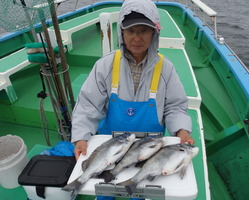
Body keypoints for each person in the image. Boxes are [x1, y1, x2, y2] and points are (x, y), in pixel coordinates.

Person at [71, 0, 194, 198]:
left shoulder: (166, 68)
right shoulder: (105, 65)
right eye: (131, 31)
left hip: (151, 148)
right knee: (104, 189)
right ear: (122, 33)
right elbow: (88, 106)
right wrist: (80, 138)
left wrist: (182, 130)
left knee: (146, 190)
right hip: (111, 145)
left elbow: (175, 107)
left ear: (154, 33)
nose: (137, 37)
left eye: (144, 30)